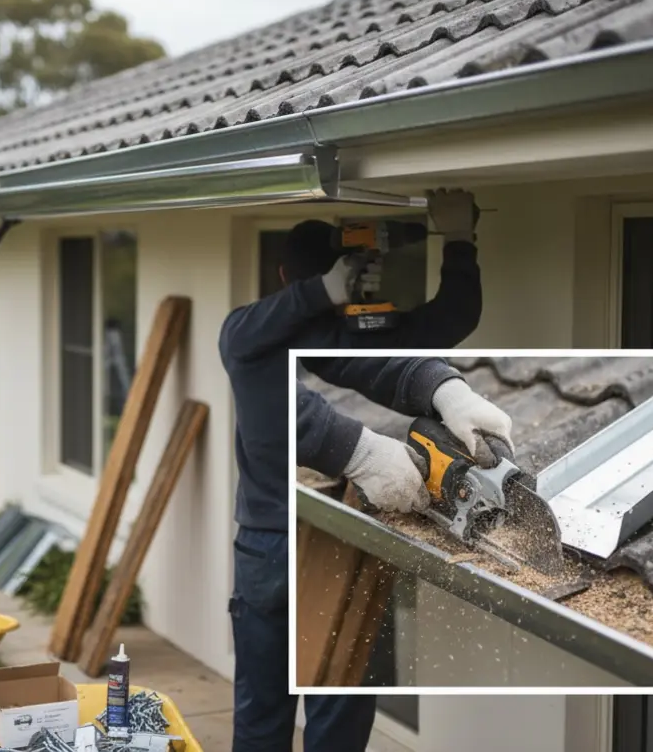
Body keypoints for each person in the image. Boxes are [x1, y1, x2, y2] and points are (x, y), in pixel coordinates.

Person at [218, 189, 512, 751]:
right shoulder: (274, 337)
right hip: (339, 541)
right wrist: (457, 240)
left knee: (271, 712)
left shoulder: (287, 338)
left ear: (283, 276)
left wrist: (444, 388)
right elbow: (451, 316)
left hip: (279, 546)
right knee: (341, 708)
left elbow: (410, 355)